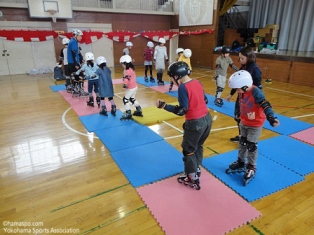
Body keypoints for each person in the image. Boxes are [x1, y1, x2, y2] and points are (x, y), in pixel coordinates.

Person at [156, 61, 212, 190]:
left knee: (188, 149)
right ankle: (197, 168)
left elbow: (182, 110)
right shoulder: (197, 82)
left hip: (195, 123)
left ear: (176, 76)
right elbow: (205, 100)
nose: (171, 80)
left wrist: (164, 106)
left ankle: (192, 177)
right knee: (198, 146)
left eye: (171, 77)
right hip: (207, 119)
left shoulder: (182, 87)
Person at [226, 70, 280, 185]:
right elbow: (239, 102)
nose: (237, 91)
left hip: (255, 124)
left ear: (245, 86)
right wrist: (237, 113)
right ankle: (241, 162)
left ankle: (251, 166)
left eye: (237, 89)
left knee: (251, 146)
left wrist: (271, 118)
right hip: (244, 122)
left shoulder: (256, 92)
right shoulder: (241, 91)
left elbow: (265, 105)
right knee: (242, 142)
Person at [226, 46, 262, 142]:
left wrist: (256, 101)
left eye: (242, 58)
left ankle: (249, 139)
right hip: (241, 98)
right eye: (240, 58)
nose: (240, 60)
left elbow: (258, 87)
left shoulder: (255, 69)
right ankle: (242, 136)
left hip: (250, 100)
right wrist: (231, 94)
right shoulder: (243, 67)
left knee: (248, 120)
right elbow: (236, 82)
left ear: (249, 57)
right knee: (238, 117)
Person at [119, 55, 143, 120]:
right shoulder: (132, 69)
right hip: (135, 86)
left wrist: (125, 85)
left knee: (125, 99)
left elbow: (126, 78)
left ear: (126, 63)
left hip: (131, 88)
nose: (122, 66)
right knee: (132, 98)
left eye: (122, 64)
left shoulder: (127, 71)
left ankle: (128, 113)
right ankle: (139, 109)